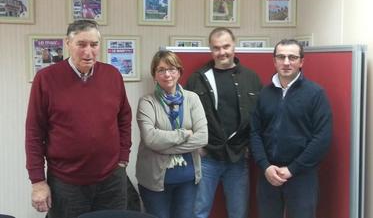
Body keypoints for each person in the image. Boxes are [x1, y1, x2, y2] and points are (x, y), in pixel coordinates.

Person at [25, 19, 132, 218]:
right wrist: (38, 181)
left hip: (111, 179)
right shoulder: (46, 79)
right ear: (68, 43)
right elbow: (34, 132)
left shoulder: (112, 75)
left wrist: (123, 157)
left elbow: (124, 118)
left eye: (94, 44)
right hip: (66, 183)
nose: (88, 51)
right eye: (81, 44)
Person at [250, 39, 332, 218]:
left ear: (301, 61)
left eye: (292, 57)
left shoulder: (315, 94)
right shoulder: (264, 94)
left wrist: (292, 169)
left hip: (301, 176)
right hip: (269, 175)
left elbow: (322, 138)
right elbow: (254, 133)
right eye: (281, 57)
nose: (286, 62)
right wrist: (265, 166)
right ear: (274, 61)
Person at [185, 27, 262, 218]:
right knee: (198, 212)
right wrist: (195, 146)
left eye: (226, 46)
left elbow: (259, 118)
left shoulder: (251, 78)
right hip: (207, 158)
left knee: (238, 213)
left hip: (238, 158)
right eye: (216, 48)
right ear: (210, 50)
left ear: (234, 44)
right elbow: (184, 115)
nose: (222, 52)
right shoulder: (198, 79)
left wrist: (251, 147)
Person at [136, 50, 208, 218]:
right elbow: (151, 139)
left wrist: (163, 146)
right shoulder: (147, 102)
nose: (167, 74)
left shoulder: (193, 99)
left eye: (171, 69)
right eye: (161, 70)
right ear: (154, 75)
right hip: (154, 183)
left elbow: (202, 137)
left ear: (179, 72)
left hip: (188, 180)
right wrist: (184, 134)